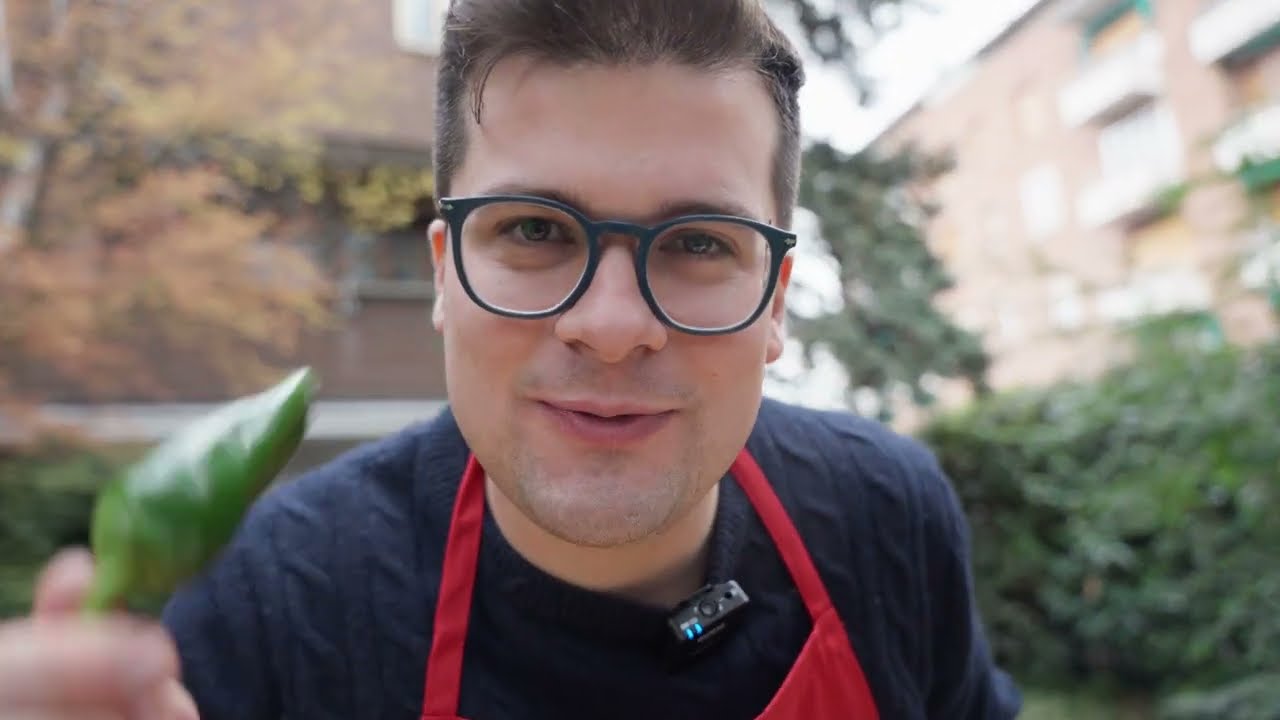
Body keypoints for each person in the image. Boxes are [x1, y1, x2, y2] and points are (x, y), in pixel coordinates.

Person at [0, 0, 1024, 717]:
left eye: (701, 243)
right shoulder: (271, 608)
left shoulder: (885, 515)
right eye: (534, 231)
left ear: (774, 304)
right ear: (445, 275)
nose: (613, 324)